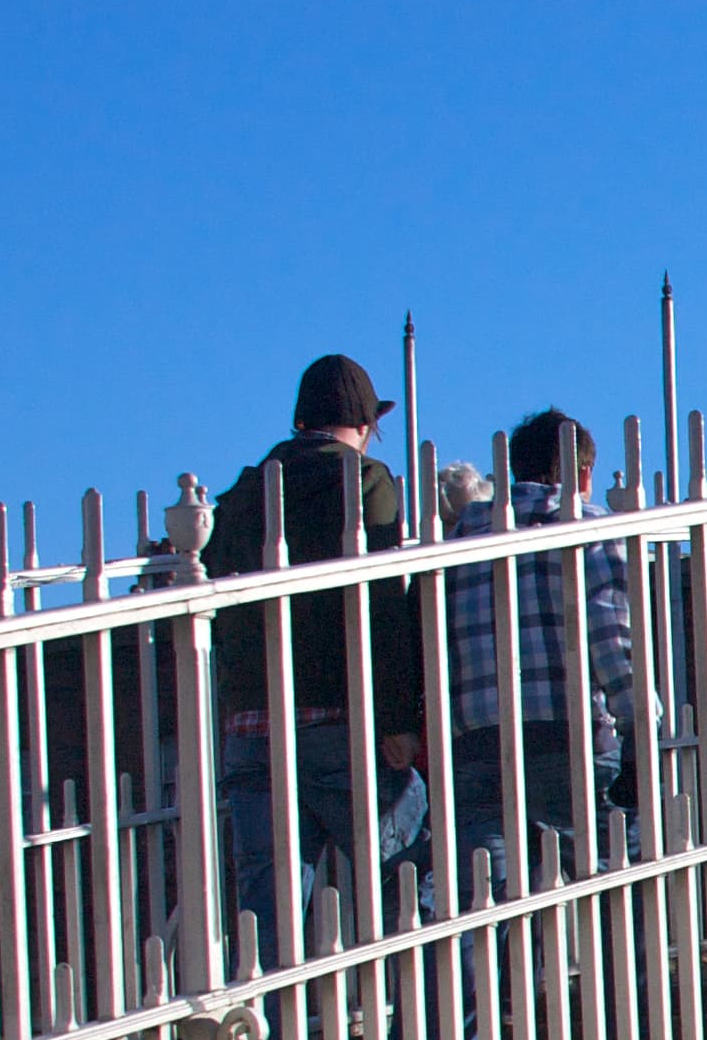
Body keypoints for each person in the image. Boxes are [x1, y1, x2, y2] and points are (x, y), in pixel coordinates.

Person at [203, 352, 429, 956]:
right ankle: (417, 1018)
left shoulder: (241, 495)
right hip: (336, 719)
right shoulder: (366, 481)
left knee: (267, 918)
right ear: (362, 421)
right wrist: (399, 718)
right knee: (415, 862)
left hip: (250, 726)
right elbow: (382, 607)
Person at [442, 410, 634, 883]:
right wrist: (635, 724)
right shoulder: (586, 522)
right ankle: (617, 957)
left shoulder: (464, 532)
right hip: (567, 733)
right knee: (607, 874)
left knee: (486, 896)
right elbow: (609, 635)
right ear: (584, 473)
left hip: (477, 739)